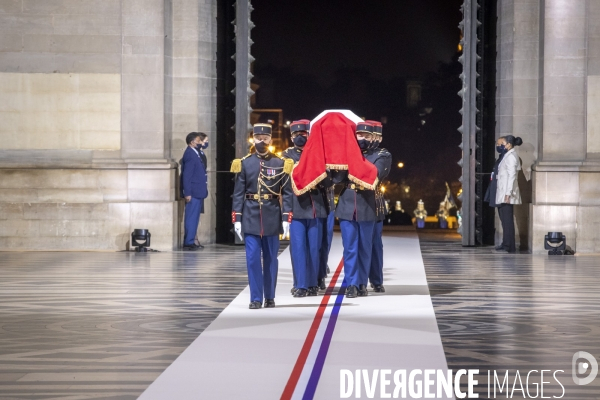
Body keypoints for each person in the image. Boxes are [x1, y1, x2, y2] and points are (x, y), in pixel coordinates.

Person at [231, 123, 294, 309]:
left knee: (270, 259)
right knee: (252, 258)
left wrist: (286, 217)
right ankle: (255, 298)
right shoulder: (245, 163)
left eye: (265, 138)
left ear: (270, 139)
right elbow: (238, 193)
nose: (261, 141)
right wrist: (237, 218)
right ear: (253, 138)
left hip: (272, 215)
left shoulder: (280, 163)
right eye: (258, 138)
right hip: (250, 215)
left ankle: (270, 296)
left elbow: (288, 193)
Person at [333, 121, 383, 298]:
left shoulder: (381, 155)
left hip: (367, 204)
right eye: (359, 136)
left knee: (364, 247)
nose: (362, 139)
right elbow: (338, 178)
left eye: (366, 136)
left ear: (373, 138)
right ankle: (352, 284)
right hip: (347, 204)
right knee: (350, 247)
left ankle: (362, 283)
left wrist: (353, 158)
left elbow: (377, 174)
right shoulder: (347, 154)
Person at [283, 120, 331, 297]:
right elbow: (285, 182)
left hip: (316, 205)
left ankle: (312, 283)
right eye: (296, 135)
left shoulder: (320, 153)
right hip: (296, 206)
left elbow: (328, 182)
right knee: (297, 248)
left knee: (314, 247)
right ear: (291, 136)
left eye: (303, 134)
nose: (299, 137)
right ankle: (300, 284)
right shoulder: (286, 155)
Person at [364, 120, 392, 293]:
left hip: (374, 202)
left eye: (375, 136)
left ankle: (376, 279)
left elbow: (377, 175)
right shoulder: (359, 152)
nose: (373, 139)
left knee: (375, 244)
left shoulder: (382, 154)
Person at [485, 135, 522, 253]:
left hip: (507, 194)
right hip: (502, 192)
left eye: (501, 144)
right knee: (504, 220)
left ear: (508, 144)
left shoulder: (511, 157)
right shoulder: (506, 156)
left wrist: (508, 193)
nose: (499, 146)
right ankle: (506, 243)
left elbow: (512, 176)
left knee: (507, 220)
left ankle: (510, 246)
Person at [181, 132, 208, 251]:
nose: (200, 142)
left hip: (198, 191)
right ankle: (189, 241)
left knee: (195, 217)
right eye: (198, 140)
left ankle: (192, 239)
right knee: (191, 217)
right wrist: (187, 193)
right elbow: (186, 176)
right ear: (192, 142)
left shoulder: (196, 153)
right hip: (193, 192)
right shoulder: (190, 154)